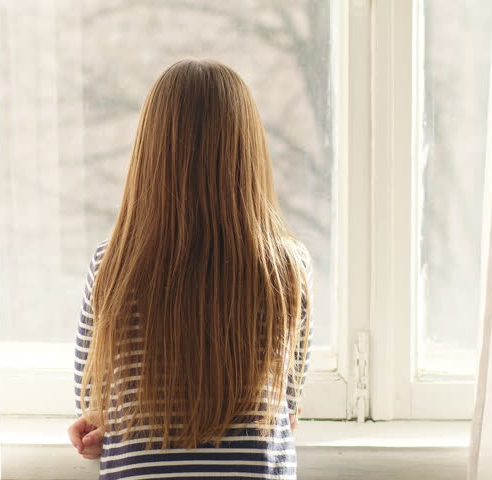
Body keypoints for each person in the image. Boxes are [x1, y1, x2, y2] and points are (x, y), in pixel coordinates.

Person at [67, 58, 313, 480]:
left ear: (150, 156)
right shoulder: (287, 268)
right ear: (247, 155)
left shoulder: (112, 264)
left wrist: (100, 423)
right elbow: (287, 400)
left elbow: (91, 396)